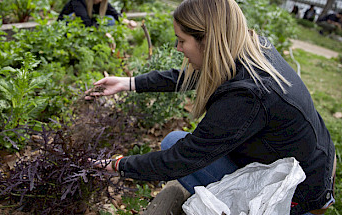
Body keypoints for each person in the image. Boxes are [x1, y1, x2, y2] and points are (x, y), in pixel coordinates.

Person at [87, 0, 336, 214]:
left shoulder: (247, 96)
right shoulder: (251, 48)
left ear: (207, 40)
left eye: (182, 40)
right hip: (314, 164)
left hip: (296, 196)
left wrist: (118, 165)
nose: (178, 48)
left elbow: (182, 159)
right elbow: (194, 75)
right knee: (173, 140)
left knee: (175, 145)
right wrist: (128, 83)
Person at [57, 0, 136, 28]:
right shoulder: (79, 1)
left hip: (88, 24)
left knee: (111, 20)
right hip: (67, 25)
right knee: (72, 17)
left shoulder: (102, 2)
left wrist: (127, 22)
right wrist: (103, 33)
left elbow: (114, 13)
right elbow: (85, 22)